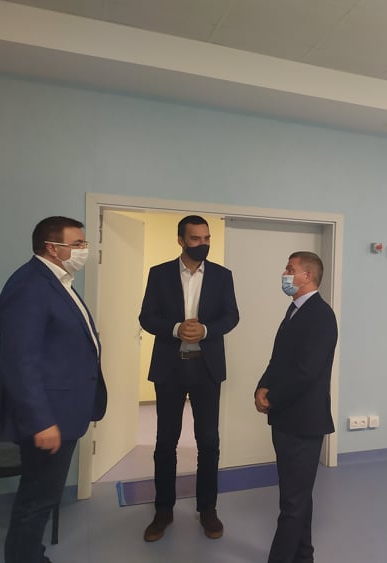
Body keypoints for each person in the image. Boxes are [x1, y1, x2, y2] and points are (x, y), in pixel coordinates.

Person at [0, 216, 108, 563]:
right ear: (52, 248)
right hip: (48, 416)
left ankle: (31, 554)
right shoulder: (29, 286)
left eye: (84, 243)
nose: (84, 250)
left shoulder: (59, 282)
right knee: (36, 500)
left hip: (64, 410)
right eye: (77, 244)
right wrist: (41, 421)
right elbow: (20, 362)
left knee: (42, 498)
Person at [139, 215, 239, 542]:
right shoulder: (159, 274)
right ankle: (163, 510)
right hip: (170, 368)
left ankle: (207, 509)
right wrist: (175, 329)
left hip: (206, 368)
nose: (202, 244)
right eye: (195, 239)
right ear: (181, 240)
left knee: (208, 442)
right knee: (165, 442)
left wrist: (206, 330)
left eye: (206, 238)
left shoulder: (222, 276)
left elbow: (231, 316)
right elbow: (146, 317)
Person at [255, 251, 338, 563]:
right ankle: (304, 556)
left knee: (292, 503)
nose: (285, 274)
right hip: (286, 419)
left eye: (290, 269)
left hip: (304, 422)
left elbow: (307, 371)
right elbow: (278, 360)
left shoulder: (321, 316)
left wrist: (273, 397)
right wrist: (262, 387)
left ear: (308, 276)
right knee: (297, 495)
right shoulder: (294, 311)